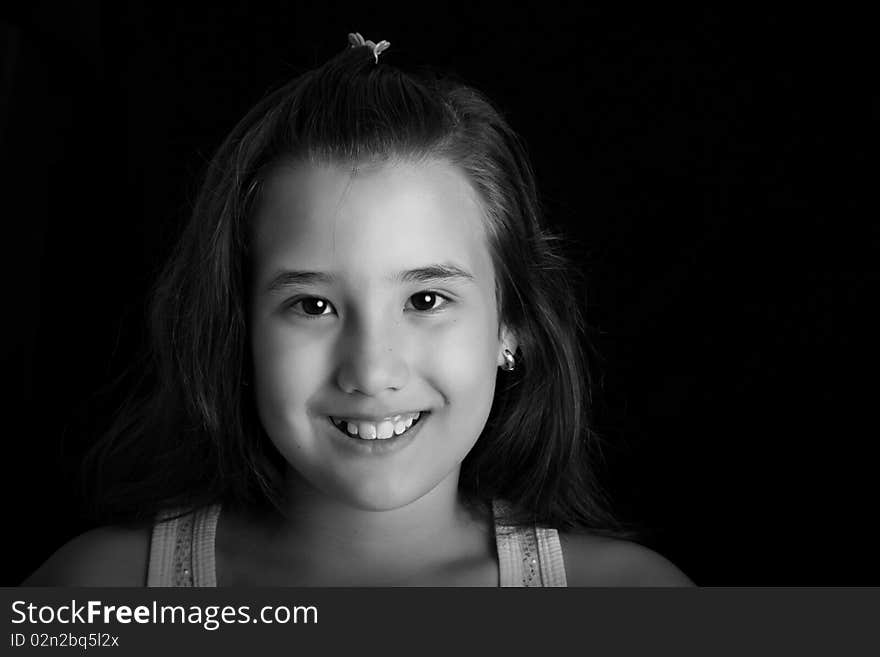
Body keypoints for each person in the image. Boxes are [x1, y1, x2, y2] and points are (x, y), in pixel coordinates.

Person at [23, 33, 691, 587]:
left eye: (426, 300)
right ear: (240, 329)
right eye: (312, 305)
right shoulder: (95, 592)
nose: (371, 371)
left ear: (510, 323)